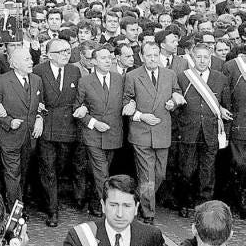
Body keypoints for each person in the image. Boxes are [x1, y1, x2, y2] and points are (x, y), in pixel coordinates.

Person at [122, 42, 178, 224]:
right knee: (147, 176)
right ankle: (148, 214)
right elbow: (126, 101)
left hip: (162, 131)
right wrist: (141, 116)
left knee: (159, 175)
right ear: (142, 57)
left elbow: (176, 92)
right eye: (149, 56)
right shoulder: (132, 76)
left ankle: (135, 200)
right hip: (142, 133)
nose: (153, 59)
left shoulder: (169, 74)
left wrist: (174, 102)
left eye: (155, 55)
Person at [175, 43, 231, 216]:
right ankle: (185, 203)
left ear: (211, 58)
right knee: (186, 169)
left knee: (207, 171)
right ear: (192, 57)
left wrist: (226, 135)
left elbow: (226, 108)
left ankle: (205, 207)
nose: (202, 60)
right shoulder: (183, 77)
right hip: (188, 131)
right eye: (198, 56)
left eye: (205, 57)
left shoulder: (220, 78)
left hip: (211, 132)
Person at [34, 37, 82, 227]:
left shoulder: (74, 71)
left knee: (60, 167)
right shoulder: (39, 71)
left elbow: (79, 97)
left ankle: (47, 199)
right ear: (49, 55)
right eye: (61, 52)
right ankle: (52, 210)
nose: (65, 55)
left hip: (68, 127)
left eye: (67, 51)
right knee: (48, 169)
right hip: (46, 127)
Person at [0, 43, 44, 210]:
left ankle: (17, 203)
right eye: (26, 59)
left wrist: (40, 118)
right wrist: (8, 120)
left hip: (30, 138)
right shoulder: (2, 81)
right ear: (14, 63)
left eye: (31, 58)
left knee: (23, 172)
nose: (31, 62)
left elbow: (41, 104)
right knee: (13, 174)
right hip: (10, 137)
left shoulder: (37, 80)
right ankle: (16, 210)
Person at [74, 45, 126, 214]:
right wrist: (94, 122)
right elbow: (78, 108)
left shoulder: (119, 79)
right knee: (101, 172)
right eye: (103, 58)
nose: (107, 61)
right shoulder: (85, 81)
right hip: (93, 134)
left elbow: (127, 99)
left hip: (113, 133)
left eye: (109, 57)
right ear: (94, 61)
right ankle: (105, 207)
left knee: (103, 171)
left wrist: (131, 104)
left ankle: (95, 201)